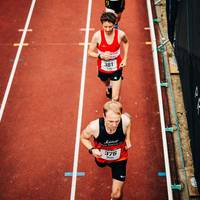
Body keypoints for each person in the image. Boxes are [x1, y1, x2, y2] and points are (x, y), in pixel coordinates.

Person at [81, 101, 132, 200]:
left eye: (117, 121)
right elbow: (83, 137)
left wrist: (128, 138)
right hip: (101, 159)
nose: (114, 125)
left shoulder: (125, 120)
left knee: (116, 194)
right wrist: (92, 149)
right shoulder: (94, 127)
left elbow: (129, 124)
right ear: (104, 116)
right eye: (110, 121)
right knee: (101, 165)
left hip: (120, 159)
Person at [88, 12, 129, 101]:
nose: (107, 29)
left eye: (110, 27)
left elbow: (126, 42)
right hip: (102, 67)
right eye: (105, 26)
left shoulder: (120, 34)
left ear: (114, 24)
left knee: (115, 98)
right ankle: (109, 86)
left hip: (116, 67)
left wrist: (125, 58)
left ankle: (115, 109)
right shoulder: (97, 36)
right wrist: (100, 56)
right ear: (102, 24)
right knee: (105, 82)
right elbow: (90, 52)